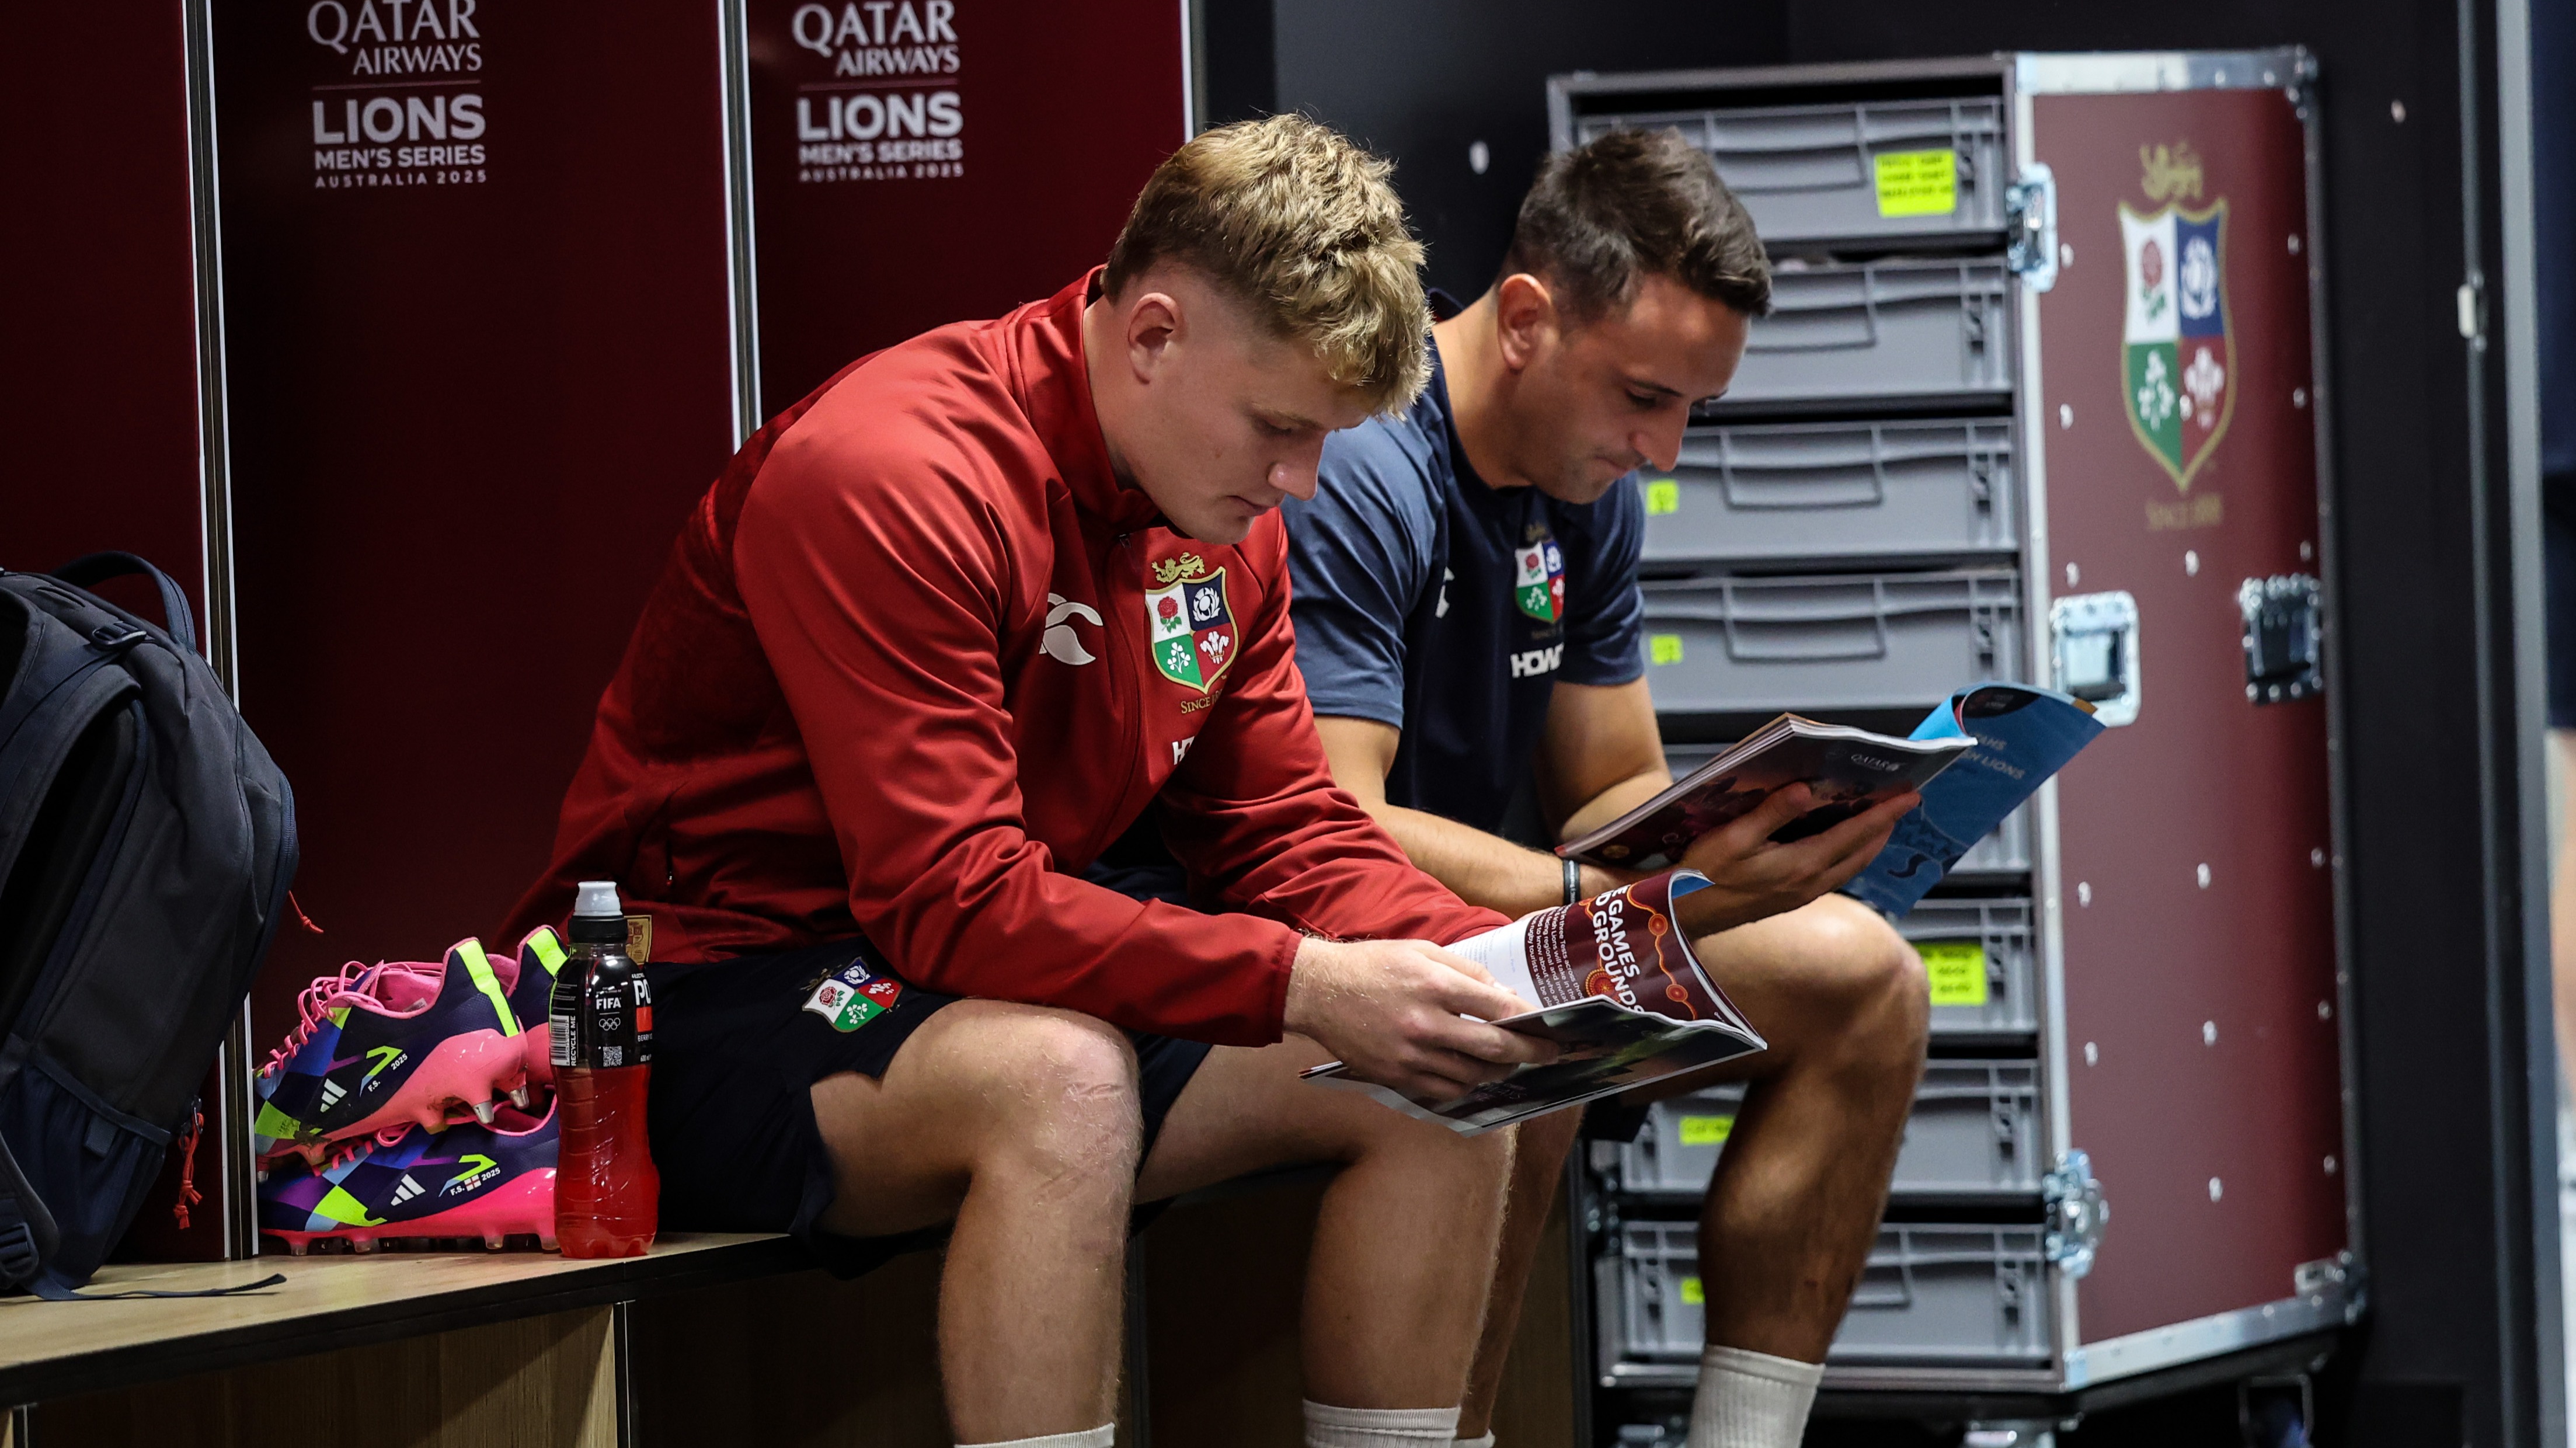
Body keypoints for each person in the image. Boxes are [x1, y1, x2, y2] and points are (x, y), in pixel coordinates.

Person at [505, 116, 1556, 1448]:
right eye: (1280, 428)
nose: (1300, 481)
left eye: (1323, 439)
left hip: (982, 960)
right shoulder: (895, 471)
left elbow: (1286, 829)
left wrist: (1513, 963)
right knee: (1061, 1076)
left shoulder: (1223, 509)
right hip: (701, 987)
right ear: (1154, 334)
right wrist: (1307, 981)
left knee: (1442, 1066)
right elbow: (952, 898)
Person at [1283, 128, 1931, 1448]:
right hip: (1334, 932)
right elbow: (1340, 817)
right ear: (1526, 318)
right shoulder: (1364, 465)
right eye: (1644, 396)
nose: (1666, 448)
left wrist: (1756, 826)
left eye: (1693, 407)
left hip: (1506, 909)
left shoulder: (1584, 485)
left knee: (1869, 981)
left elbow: (1605, 782)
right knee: (1552, 1015)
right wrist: (1612, 892)